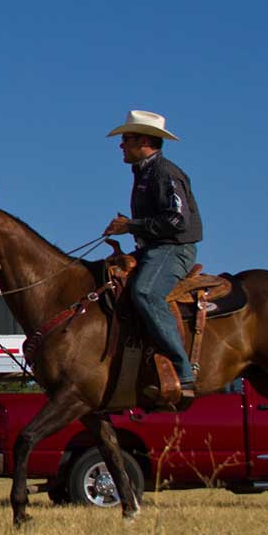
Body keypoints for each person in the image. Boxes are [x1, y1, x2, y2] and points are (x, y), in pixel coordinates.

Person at [103, 110, 203, 399]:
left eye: (126, 139)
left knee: (146, 292)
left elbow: (177, 220)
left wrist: (131, 225)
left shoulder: (165, 172)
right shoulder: (145, 172)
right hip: (154, 248)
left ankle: (182, 369)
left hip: (174, 249)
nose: (121, 145)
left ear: (144, 140)